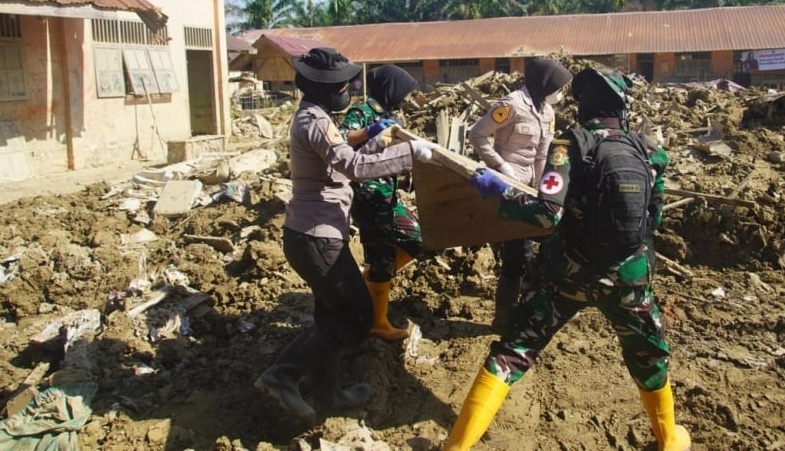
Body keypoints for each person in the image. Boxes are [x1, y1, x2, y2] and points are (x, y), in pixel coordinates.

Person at [443, 67, 690, 451]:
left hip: (566, 276)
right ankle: (669, 440)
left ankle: (455, 446)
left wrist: (499, 193)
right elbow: (652, 220)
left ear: (583, 103)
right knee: (648, 356)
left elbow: (546, 214)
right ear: (623, 105)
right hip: (628, 278)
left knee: (514, 350)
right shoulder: (651, 152)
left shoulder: (569, 145)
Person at [254, 48, 438, 422]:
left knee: (331, 317)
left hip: (317, 233)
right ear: (326, 88)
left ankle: (328, 395)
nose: (350, 89)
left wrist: (376, 139)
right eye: (344, 84)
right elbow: (352, 167)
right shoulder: (315, 121)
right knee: (355, 318)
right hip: (315, 237)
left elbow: (341, 155)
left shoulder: (316, 115)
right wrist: (409, 155)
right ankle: (281, 375)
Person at [466, 57, 572, 332]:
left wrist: (543, 188)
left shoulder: (547, 111)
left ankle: (530, 308)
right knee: (517, 252)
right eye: (558, 87)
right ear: (544, 83)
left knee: (547, 245)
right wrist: (501, 167)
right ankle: (504, 317)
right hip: (508, 188)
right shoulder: (510, 105)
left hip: (532, 189)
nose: (561, 94)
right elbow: (476, 135)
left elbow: (543, 154)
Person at [338, 65, 424, 341]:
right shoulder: (362, 113)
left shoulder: (389, 114)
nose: (405, 98)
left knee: (415, 239)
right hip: (368, 193)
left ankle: (371, 282)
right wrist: (370, 131)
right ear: (390, 88)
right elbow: (341, 140)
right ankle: (377, 320)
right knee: (382, 255)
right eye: (402, 91)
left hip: (387, 192)